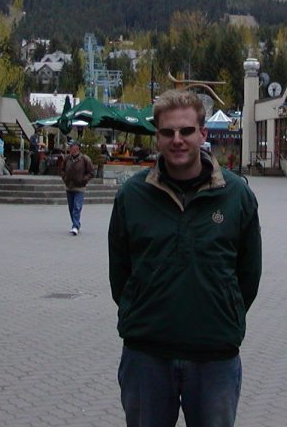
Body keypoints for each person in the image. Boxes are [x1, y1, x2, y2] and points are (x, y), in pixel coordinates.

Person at [108, 89, 262, 427]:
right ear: (157, 136)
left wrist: (225, 310)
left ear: (202, 134)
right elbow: (120, 273)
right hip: (146, 354)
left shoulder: (236, 196)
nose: (177, 140)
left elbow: (248, 274)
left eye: (186, 131)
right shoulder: (132, 196)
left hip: (214, 356)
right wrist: (140, 309)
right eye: (167, 132)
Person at [60, 140, 94, 235]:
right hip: (69, 186)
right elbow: (62, 170)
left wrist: (84, 180)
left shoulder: (85, 159)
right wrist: (65, 178)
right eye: (70, 147)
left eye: (72, 147)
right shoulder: (67, 158)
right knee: (71, 208)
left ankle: (75, 226)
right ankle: (76, 224)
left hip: (80, 187)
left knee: (77, 207)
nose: (71, 149)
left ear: (77, 148)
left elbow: (91, 172)